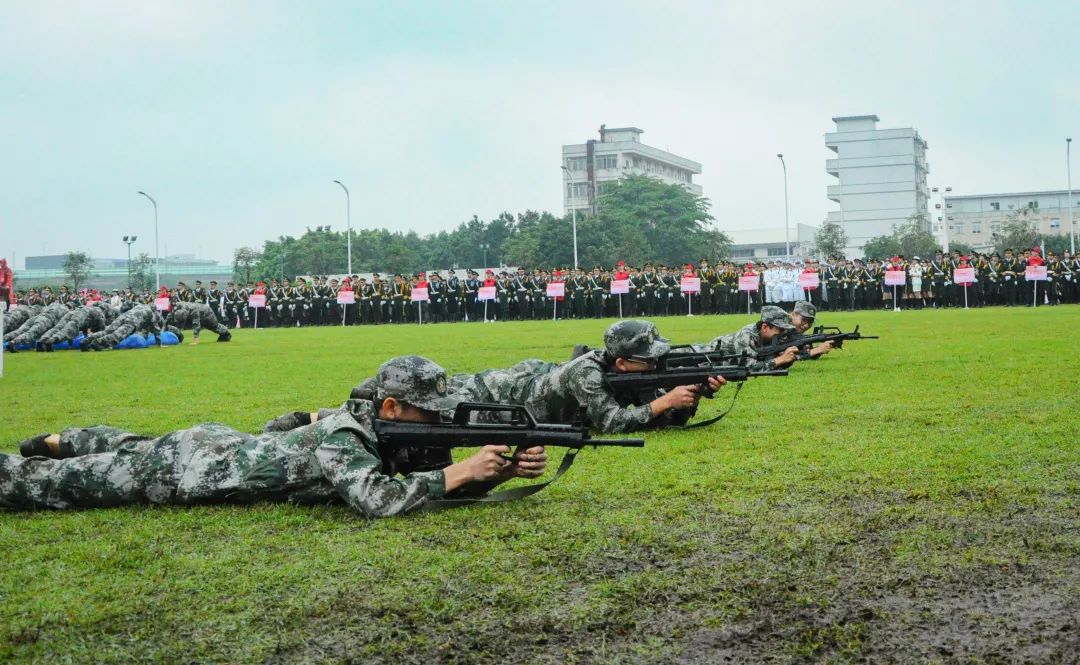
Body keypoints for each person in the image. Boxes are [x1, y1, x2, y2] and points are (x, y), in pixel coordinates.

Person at [4, 356, 547, 517]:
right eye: (430, 415)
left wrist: (491, 473)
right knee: (49, 487)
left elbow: (414, 476)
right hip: (185, 469)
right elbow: (377, 499)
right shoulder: (343, 434)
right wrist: (464, 471)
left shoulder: (370, 430)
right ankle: (40, 457)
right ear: (390, 407)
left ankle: (67, 437)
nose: (439, 424)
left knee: (128, 447)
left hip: (214, 445)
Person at [448, 320, 726, 433]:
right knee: (441, 406)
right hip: (499, 398)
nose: (657, 364)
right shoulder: (587, 374)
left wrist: (692, 394)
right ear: (622, 362)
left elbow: (661, 421)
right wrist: (665, 401)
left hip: (539, 376)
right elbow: (611, 423)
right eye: (650, 359)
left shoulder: (631, 371)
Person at [695, 305, 799, 371]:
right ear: (765, 327)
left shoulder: (766, 336)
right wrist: (780, 359)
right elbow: (750, 368)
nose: (783, 334)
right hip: (698, 356)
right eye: (780, 330)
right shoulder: (746, 336)